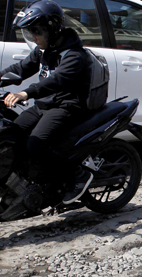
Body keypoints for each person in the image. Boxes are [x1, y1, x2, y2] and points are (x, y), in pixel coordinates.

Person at [0, 0, 93, 204]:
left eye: (36, 31)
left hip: (66, 106)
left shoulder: (74, 55)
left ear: (52, 28)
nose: (33, 37)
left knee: (35, 144)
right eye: (30, 32)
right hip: (44, 105)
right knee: (12, 134)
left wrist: (26, 93)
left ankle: (77, 174)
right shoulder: (44, 50)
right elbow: (20, 68)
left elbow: (55, 80)